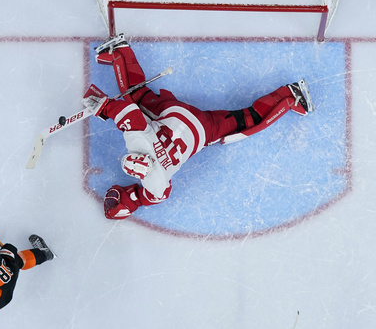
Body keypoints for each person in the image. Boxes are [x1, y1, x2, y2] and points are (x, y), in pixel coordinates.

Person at [82, 34, 314, 220]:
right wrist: (105, 107)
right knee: (137, 96)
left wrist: (134, 199)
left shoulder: (157, 183)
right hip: (174, 113)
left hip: (202, 130)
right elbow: (129, 114)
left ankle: (289, 96)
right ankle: (119, 51)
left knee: (245, 122)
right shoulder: (139, 144)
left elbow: (158, 196)